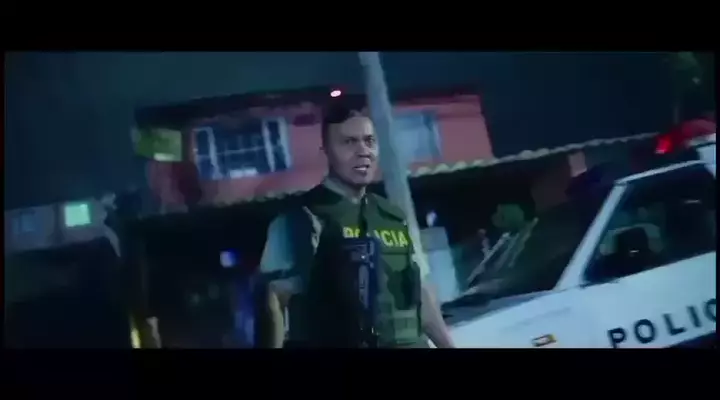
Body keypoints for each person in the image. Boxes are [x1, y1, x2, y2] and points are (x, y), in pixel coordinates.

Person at [260, 100, 454, 348]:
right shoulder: (300, 218)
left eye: (369, 141)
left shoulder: (392, 216)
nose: (363, 151)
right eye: (349, 142)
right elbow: (274, 301)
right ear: (326, 150)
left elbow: (421, 296)